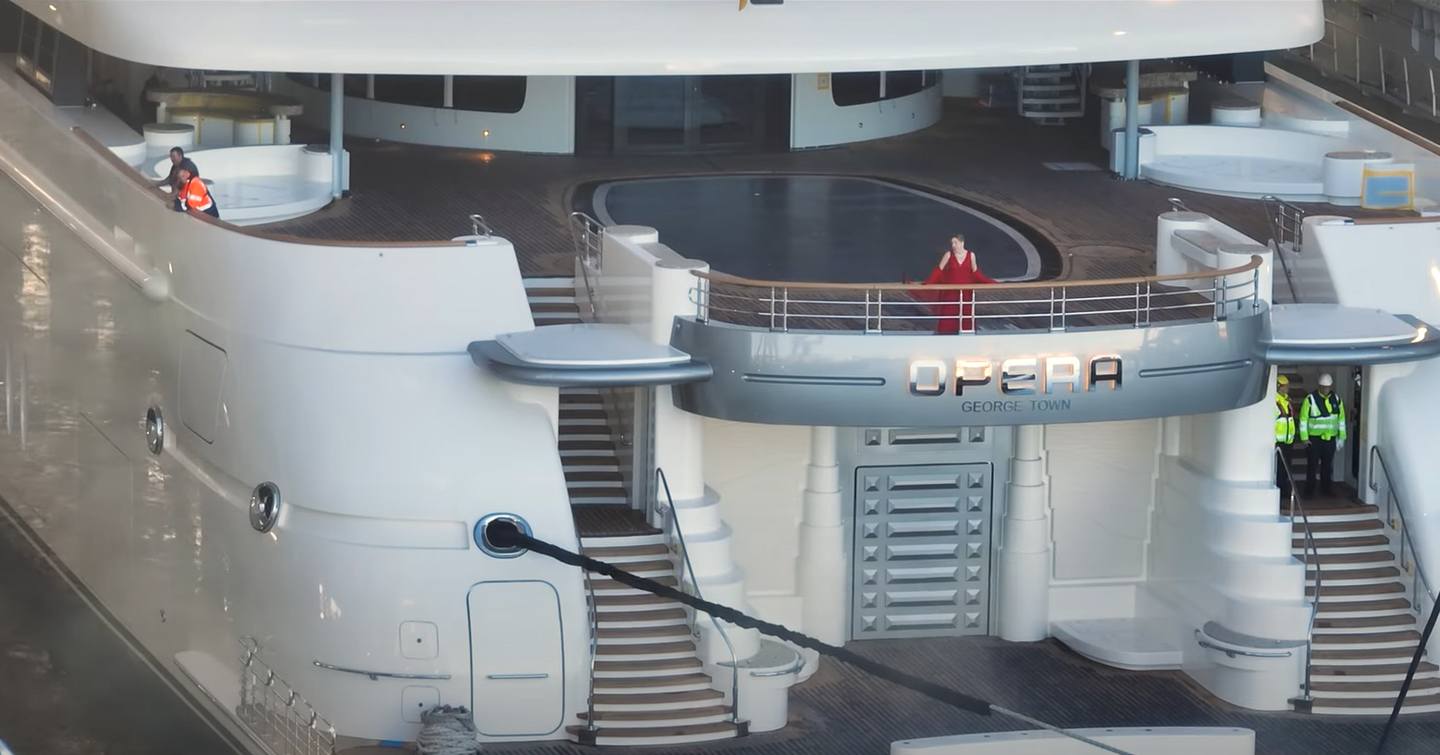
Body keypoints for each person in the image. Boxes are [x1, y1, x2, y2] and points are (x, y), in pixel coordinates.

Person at [916, 233, 996, 334]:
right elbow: (939, 271)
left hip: (966, 294)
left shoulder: (971, 255)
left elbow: (976, 273)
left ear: (962, 243)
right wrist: (927, 284)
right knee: (948, 318)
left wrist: (990, 282)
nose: (953, 245)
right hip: (950, 294)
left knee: (966, 317)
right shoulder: (948, 255)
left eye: (955, 242)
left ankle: (967, 337)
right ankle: (945, 337)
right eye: (952, 243)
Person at [1300, 372, 1346, 498]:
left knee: (1327, 466)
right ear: (1319, 386)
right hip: (1314, 440)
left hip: (1330, 439)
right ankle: (1309, 491)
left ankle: (1326, 489)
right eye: (1324, 387)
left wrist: (1341, 438)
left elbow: (1341, 420)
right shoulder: (1310, 399)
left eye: (1328, 387)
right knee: (1312, 467)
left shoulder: (1336, 400)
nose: (1326, 389)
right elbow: (1303, 420)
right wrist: (1304, 438)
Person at [1274, 374, 1297, 503]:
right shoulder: (1275, 401)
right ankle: (1280, 491)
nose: (1287, 388)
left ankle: (1284, 489)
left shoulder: (1287, 400)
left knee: (1286, 467)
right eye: (1284, 386)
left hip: (1288, 440)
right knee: (1279, 469)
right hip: (1279, 441)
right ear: (1278, 387)